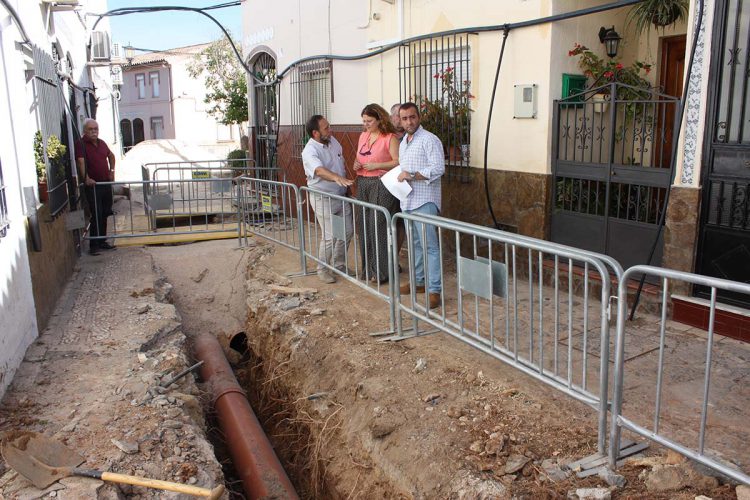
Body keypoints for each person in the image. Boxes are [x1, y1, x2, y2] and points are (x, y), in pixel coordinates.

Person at [396, 102, 445, 309]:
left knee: (430, 247)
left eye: (412, 117)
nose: (409, 121)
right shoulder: (403, 142)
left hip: (425, 201)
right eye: (405, 118)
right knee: (415, 245)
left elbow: (438, 168)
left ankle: (435, 290)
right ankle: (419, 282)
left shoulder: (430, 140)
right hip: (407, 200)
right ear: (400, 120)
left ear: (419, 117)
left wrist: (413, 176)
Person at [301, 115, 355, 284]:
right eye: (326, 128)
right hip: (322, 198)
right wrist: (336, 178)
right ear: (315, 133)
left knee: (345, 231)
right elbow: (319, 171)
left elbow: (341, 164)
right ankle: (322, 268)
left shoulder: (333, 142)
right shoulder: (310, 151)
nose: (330, 129)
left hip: (340, 195)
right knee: (330, 235)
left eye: (329, 126)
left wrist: (345, 184)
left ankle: (338, 265)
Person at [353, 104, 400, 284]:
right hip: (363, 182)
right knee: (364, 225)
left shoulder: (390, 138)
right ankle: (368, 269)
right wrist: (356, 164)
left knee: (378, 226)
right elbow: (359, 158)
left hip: (382, 183)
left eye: (369, 121)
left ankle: (381, 272)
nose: (366, 124)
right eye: (364, 121)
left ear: (380, 119)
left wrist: (377, 166)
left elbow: (397, 162)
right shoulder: (363, 136)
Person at [75, 118, 116, 256]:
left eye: (95, 129)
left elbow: (111, 156)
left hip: (105, 184)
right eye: (91, 129)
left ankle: (102, 241)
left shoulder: (102, 143)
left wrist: (112, 171)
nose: (94, 132)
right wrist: (86, 178)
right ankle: (94, 245)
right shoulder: (81, 144)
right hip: (93, 186)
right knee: (96, 213)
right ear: (84, 131)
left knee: (105, 212)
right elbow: (80, 162)